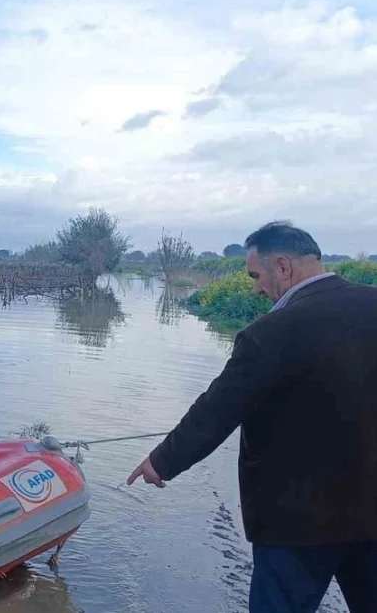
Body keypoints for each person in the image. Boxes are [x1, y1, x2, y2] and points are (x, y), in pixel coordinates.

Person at [126, 221, 377, 613]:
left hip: (296, 525)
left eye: (256, 276)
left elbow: (217, 410)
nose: (257, 287)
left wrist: (162, 461)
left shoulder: (272, 332)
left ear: (282, 266)